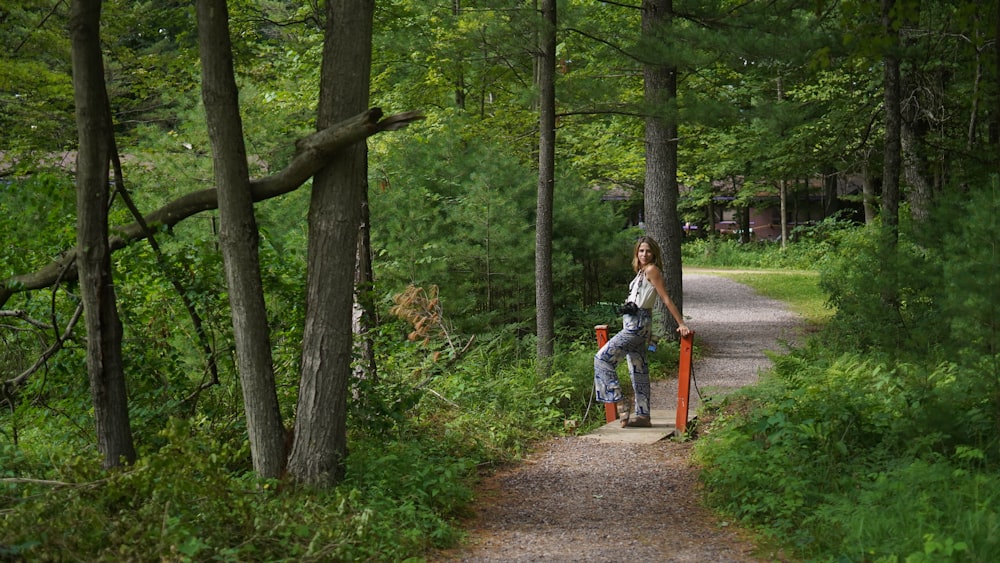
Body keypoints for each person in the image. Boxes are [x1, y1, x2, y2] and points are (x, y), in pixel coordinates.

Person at [594, 236, 692, 428]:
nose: (644, 254)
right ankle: (643, 416)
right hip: (634, 322)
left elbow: (665, 298)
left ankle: (620, 401)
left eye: (648, 251)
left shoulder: (652, 270)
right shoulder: (640, 272)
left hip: (637, 325)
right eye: (641, 251)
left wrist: (681, 323)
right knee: (638, 370)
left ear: (654, 253)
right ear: (636, 253)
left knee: (602, 358)